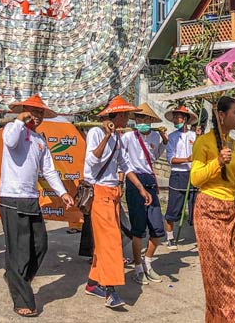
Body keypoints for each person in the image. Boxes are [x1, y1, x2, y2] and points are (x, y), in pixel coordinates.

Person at [0, 94, 75, 317]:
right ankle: (22, 298)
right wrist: (20, 119)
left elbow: (49, 170)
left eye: (41, 113)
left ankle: (17, 278)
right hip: (11, 197)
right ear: (23, 110)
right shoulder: (13, 130)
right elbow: (10, 141)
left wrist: (62, 193)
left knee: (40, 244)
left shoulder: (40, 140)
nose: (38, 116)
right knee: (18, 251)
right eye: (34, 111)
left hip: (31, 198)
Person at [83, 96, 152, 309]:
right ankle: (110, 290)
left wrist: (140, 188)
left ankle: (94, 283)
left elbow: (125, 164)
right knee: (111, 243)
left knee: (106, 242)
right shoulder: (96, 132)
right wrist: (107, 136)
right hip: (99, 192)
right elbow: (92, 160)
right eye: (127, 115)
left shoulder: (119, 138)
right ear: (119, 115)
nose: (129, 119)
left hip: (113, 193)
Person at [190, 96, 235, 323]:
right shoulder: (203, 143)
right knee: (221, 275)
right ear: (221, 115)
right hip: (208, 211)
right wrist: (217, 163)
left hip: (230, 212)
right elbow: (195, 179)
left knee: (231, 270)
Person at [121, 103, 168, 285]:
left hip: (150, 180)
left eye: (145, 118)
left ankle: (148, 262)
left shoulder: (156, 136)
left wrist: (164, 141)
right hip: (134, 181)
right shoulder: (127, 137)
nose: (142, 121)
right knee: (138, 229)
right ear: (135, 120)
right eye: (139, 118)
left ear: (150, 120)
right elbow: (121, 161)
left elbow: (155, 156)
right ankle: (138, 267)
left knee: (157, 228)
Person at [163, 106, 199, 250]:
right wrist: (186, 159)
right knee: (173, 207)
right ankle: (170, 237)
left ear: (185, 119)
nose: (175, 120)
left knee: (195, 207)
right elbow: (170, 159)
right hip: (178, 175)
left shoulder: (194, 136)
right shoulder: (172, 137)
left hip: (193, 174)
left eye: (178, 117)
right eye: (174, 117)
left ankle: (199, 238)